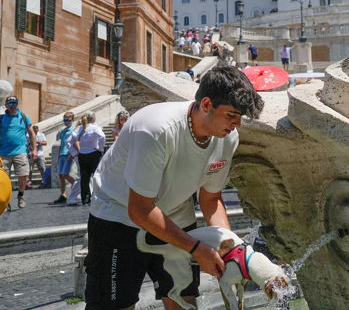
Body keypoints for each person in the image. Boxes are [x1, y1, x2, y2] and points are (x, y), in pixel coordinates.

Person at [84, 65, 279, 309]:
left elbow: (210, 199)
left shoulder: (228, 137)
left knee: (184, 302)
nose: (237, 123)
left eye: (240, 117)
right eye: (231, 115)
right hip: (119, 215)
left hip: (176, 213)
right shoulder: (156, 129)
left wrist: (231, 249)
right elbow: (140, 210)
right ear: (206, 104)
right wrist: (196, 249)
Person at [1, 95, 35, 209]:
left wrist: (34, 149)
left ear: (17, 104)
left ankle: (21, 195)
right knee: (3, 179)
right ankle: (6, 200)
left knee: (23, 175)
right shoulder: (1, 118)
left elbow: (32, 133)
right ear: (6, 105)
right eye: (10, 104)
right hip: (3, 153)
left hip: (20, 151)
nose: (12, 106)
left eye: (14, 103)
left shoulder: (24, 117)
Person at [71, 112, 105, 205]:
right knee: (96, 175)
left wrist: (76, 151)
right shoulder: (95, 127)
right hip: (93, 153)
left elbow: (73, 137)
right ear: (93, 119)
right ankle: (99, 196)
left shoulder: (80, 128)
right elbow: (102, 136)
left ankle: (85, 198)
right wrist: (100, 148)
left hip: (82, 154)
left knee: (84, 178)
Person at [53, 112, 77, 205]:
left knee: (65, 174)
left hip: (68, 154)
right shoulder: (62, 131)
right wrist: (59, 155)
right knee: (60, 175)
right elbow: (61, 143)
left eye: (68, 120)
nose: (66, 122)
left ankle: (77, 186)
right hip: (62, 154)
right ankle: (63, 195)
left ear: (72, 120)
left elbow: (75, 142)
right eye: (65, 120)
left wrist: (72, 153)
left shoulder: (74, 130)